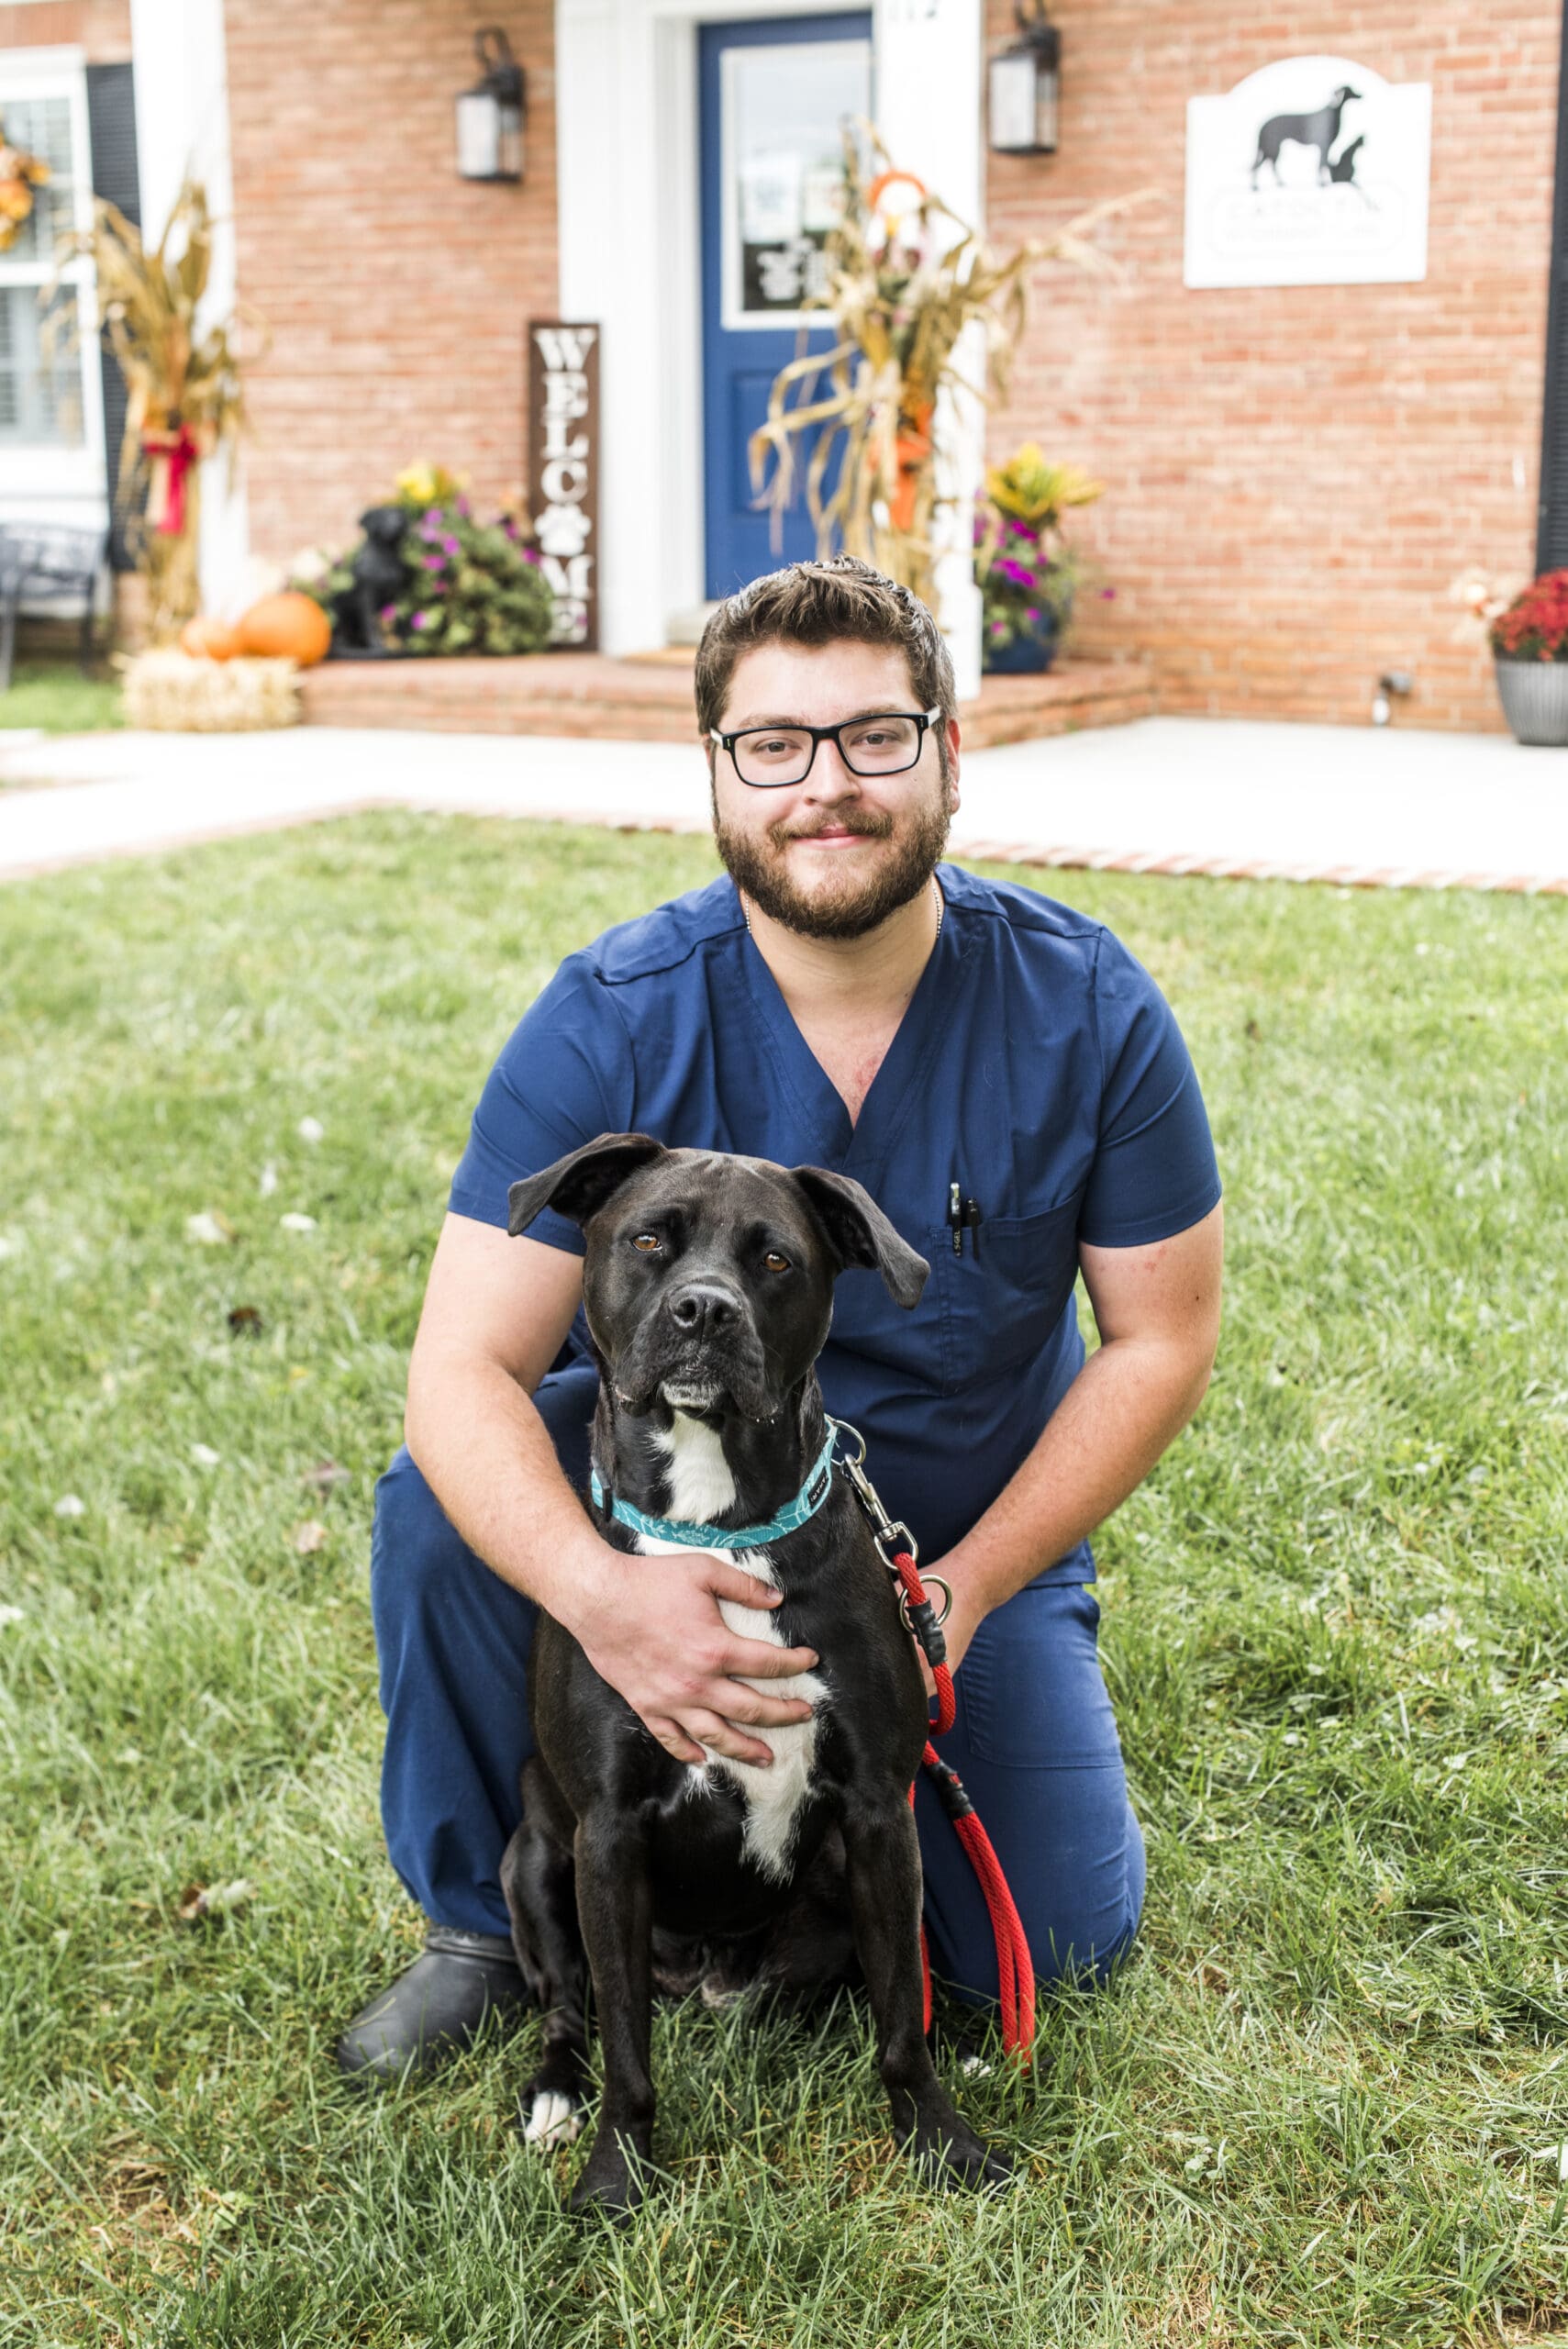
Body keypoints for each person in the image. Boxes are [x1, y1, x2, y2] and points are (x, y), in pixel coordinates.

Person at [339, 554, 1223, 2080]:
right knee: (442, 1498)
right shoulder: (612, 1011)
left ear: (948, 751)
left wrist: (968, 1587)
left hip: (940, 1539)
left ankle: (813, 1844)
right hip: (647, 1506)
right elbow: (464, 1366)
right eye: (775, 746)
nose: (827, 785)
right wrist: (604, 1596)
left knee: (1059, 1943)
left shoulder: (1088, 1010)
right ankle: (480, 1930)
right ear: (718, 776)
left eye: (874, 735)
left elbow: (1162, 1339)